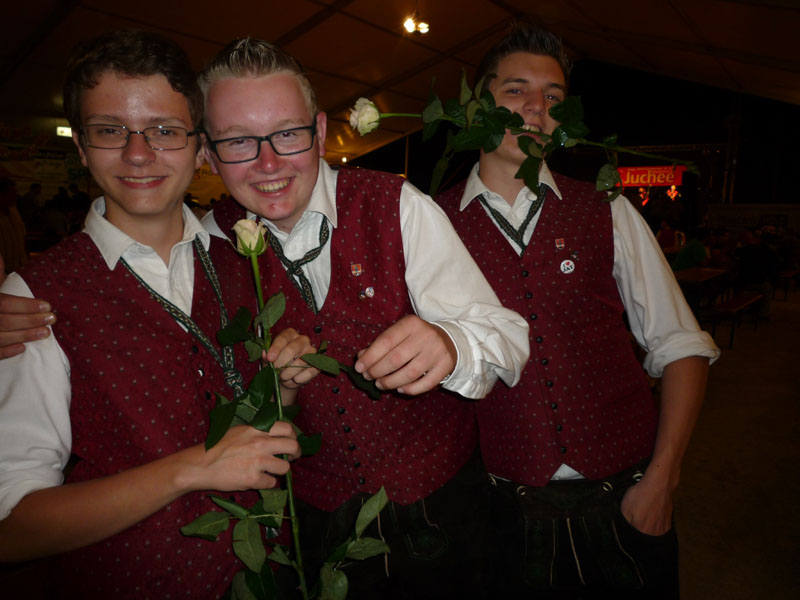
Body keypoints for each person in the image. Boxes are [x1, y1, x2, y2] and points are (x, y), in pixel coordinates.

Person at [195, 37, 529, 598]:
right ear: (207, 152)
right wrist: (276, 390)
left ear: (321, 131)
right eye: (238, 141)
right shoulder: (206, 246)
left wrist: (450, 343)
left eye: (288, 133)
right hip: (315, 524)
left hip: (445, 508)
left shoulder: (396, 203)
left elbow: (507, 336)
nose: (268, 163)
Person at [0, 31, 315, 599]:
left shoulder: (246, 260)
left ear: (200, 149)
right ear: (82, 148)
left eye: (165, 131)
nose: (138, 153)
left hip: (272, 575)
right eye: (109, 130)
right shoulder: (35, 297)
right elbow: (14, 528)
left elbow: (259, 422)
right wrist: (193, 468)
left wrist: (284, 389)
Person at [436, 25, 720, 598]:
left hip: (625, 497)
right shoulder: (433, 224)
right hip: (504, 511)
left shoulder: (606, 209)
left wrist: (663, 478)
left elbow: (681, 346)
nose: (536, 107)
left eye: (553, 96)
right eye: (516, 90)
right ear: (476, 107)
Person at [0, 177, 28, 274]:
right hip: (4, 271)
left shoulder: (14, 212)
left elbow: (23, 236)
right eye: (12, 194)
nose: (16, 197)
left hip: (20, 267)